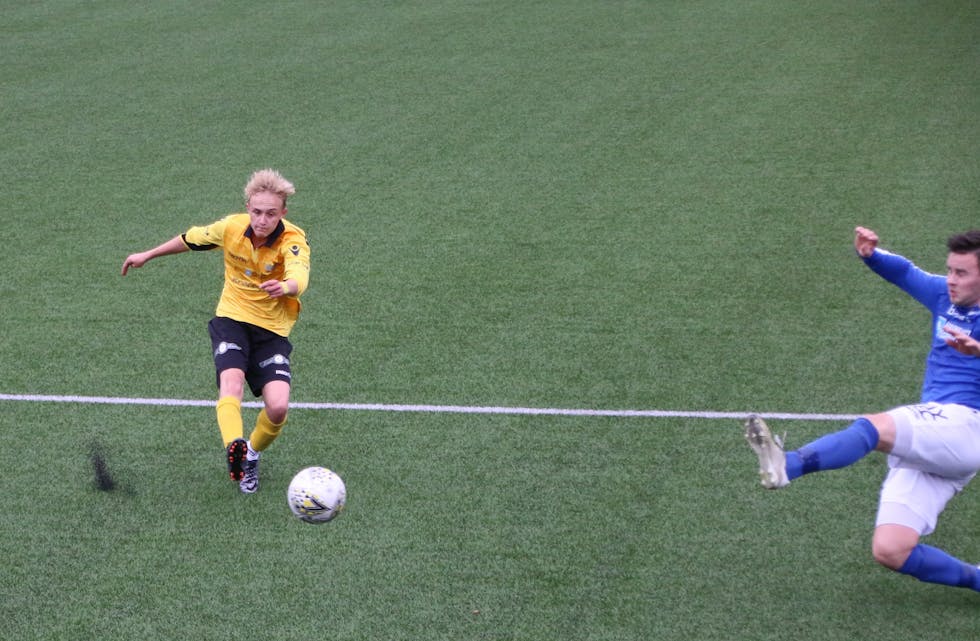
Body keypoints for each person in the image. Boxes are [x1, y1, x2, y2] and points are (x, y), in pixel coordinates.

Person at [745, 226, 980, 592]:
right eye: (950, 270)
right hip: (940, 437)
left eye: (961, 273)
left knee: (874, 428)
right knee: (891, 550)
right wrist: (871, 255)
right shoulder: (945, 298)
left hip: (967, 427)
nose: (951, 280)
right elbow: (907, 274)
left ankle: (786, 465)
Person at [122, 169, 311, 494]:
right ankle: (234, 447)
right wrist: (148, 255)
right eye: (256, 212)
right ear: (247, 207)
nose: (262, 220)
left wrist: (286, 287)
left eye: (270, 214)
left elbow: (299, 277)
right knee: (231, 382)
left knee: (278, 407)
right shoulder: (231, 228)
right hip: (232, 319)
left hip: (271, 329)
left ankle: (251, 453)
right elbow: (189, 239)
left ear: (283, 213)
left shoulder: (293, 240)